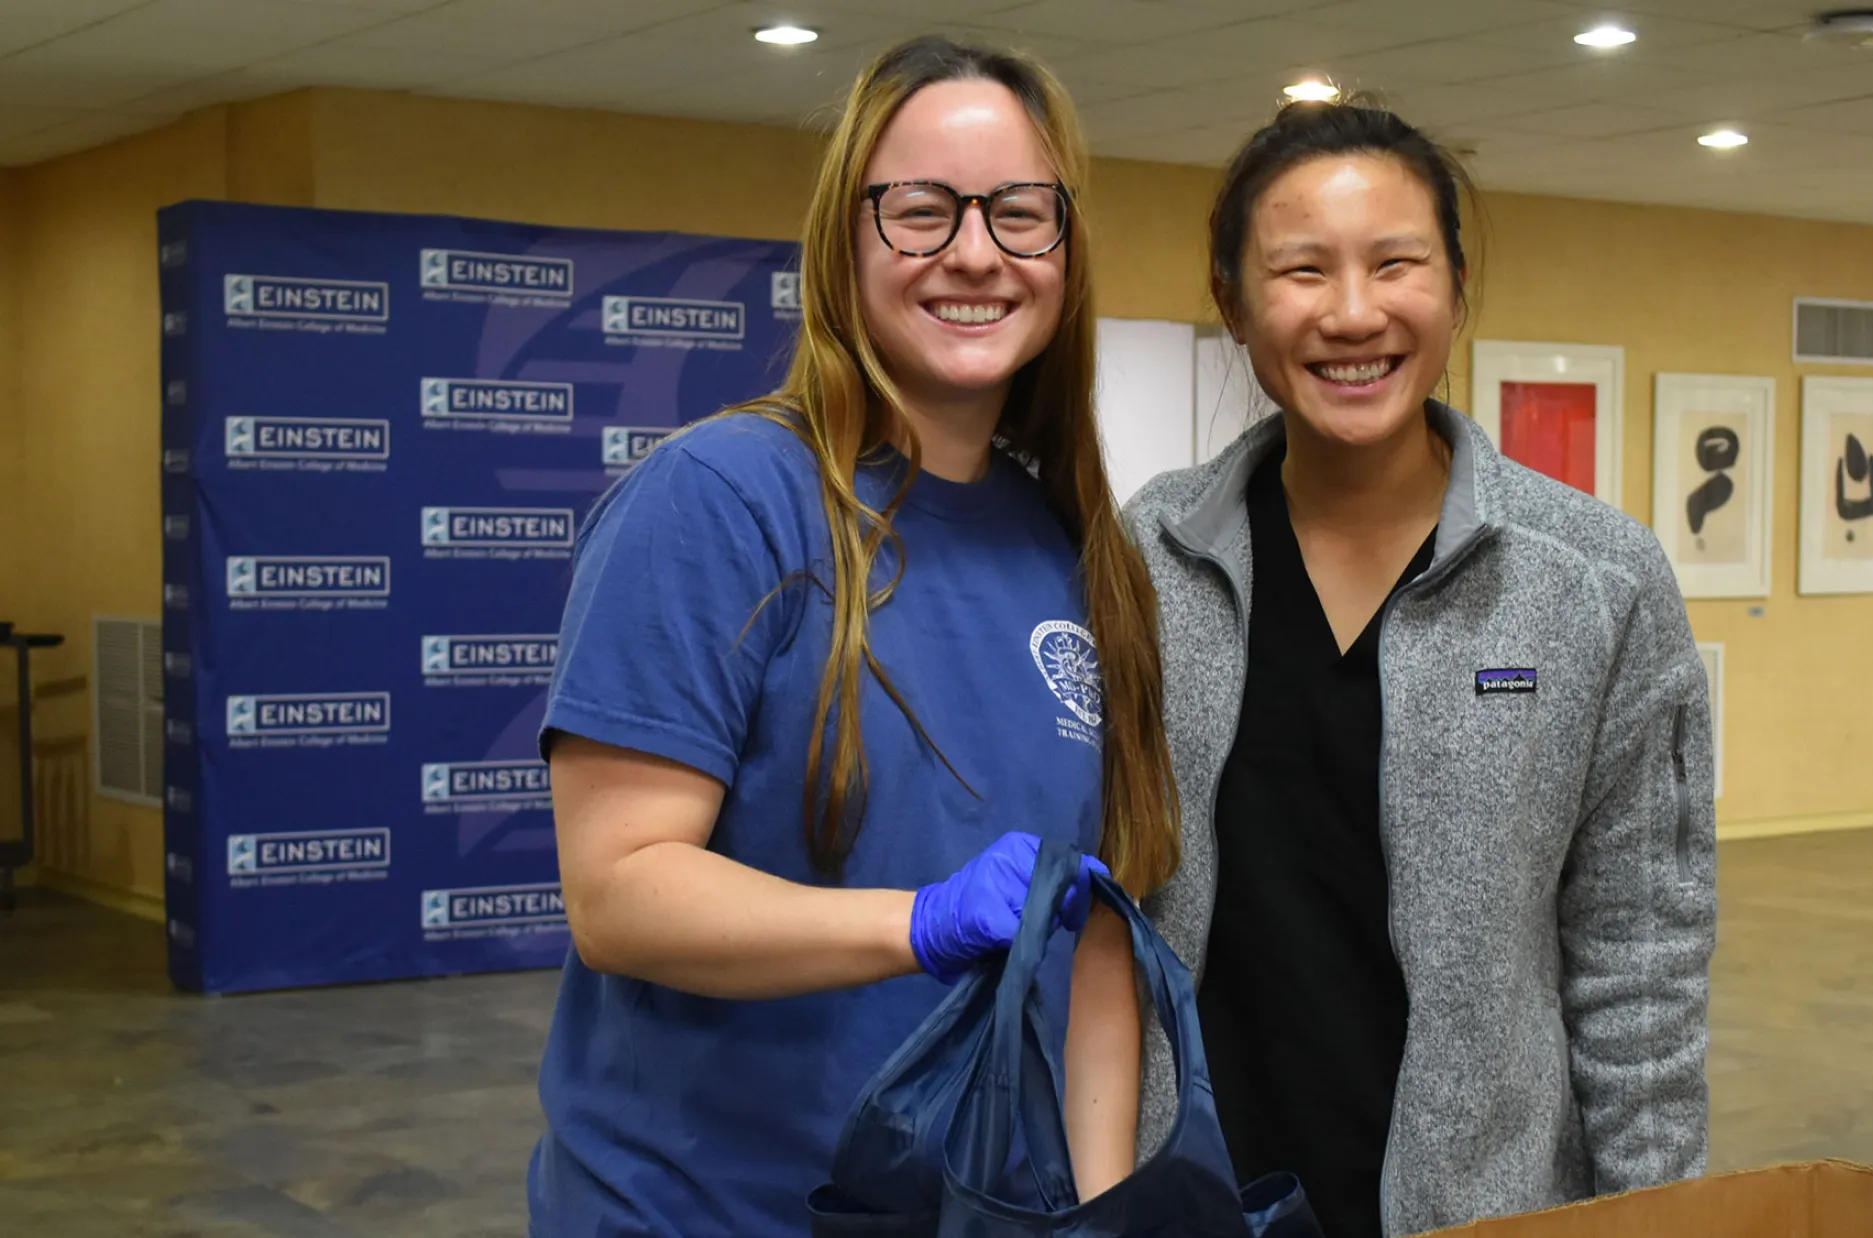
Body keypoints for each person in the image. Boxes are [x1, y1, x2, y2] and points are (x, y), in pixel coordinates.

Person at [528, 36, 1175, 1237]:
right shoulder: (720, 500)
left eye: (1019, 213)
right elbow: (619, 891)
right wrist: (917, 922)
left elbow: (1088, 950)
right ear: (845, 238)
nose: (975, 252)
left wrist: (1097, 1213)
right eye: (921, 211)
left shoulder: (1079, 550)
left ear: (1064, 248)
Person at [1125, 97, 1717, 1238]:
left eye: (1396, 263)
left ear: (1451, 287)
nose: (1354, 314)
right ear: (1234, 306)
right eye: (1301, 271)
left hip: (1483, 1204)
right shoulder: (1146, 561)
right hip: (1198, 1197)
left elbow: (1638, 961)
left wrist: (1657, 1212)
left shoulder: (1595, 578)